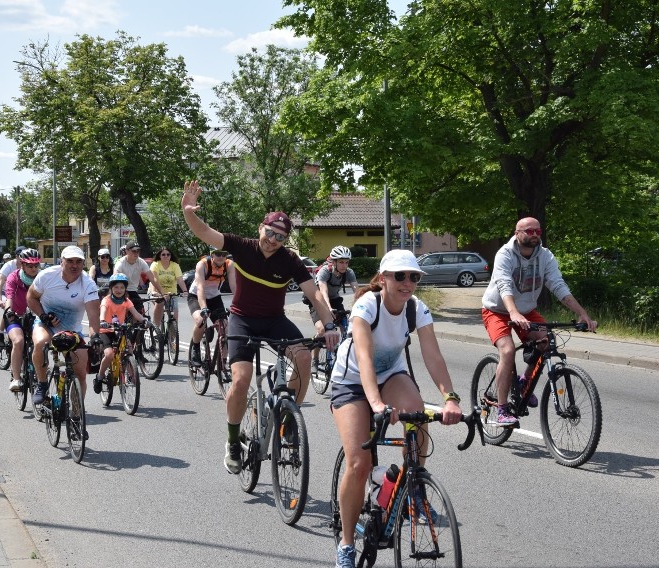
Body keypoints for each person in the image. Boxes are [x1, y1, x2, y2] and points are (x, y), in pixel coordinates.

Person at [181, 180, 341, 474]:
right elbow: (205, 232)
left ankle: (289, 420)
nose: (272, 240)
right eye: (269, 233)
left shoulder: (290, 260)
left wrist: (329, 324)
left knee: (304, 356)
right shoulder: (242, 247)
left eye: (279, 237)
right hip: (242, 319)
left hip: (274, 320)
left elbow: (314, 294)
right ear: (260, 229)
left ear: (285, 240)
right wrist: (189, 212)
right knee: (241, 380)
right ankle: (232, 442)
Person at [331, 249, 463, 568]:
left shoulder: (416, 309)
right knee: (358, 464)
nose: (407, 283)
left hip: (390, 375)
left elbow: (433, 357)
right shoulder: (367, 305)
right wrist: (376, 403)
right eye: (400, 276)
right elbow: (363, 357)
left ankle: (414, 483)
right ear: (383, 278)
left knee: (416, 411)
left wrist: (451, 398)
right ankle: (346, 546)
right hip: (351, 381)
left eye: (414, 277)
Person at [481, 217, 598, 426]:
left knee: (546, 342)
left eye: (538, 231)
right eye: (529, 231)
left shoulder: (545, 257)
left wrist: (582, 313)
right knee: (507, 351)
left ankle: (525, 382)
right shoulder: (505, 254)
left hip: (526, 310)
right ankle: (501, 409)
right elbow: (504, 285)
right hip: (497, 310)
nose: (535, 235)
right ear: (517, 233)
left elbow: (558, 285)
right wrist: (513, 313)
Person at [28, 246, 100, 438]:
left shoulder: (88, 284)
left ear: (83, 263)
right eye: (70, 261)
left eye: (78, 262)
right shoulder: (47, 276)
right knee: (41, 343)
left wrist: (95, 337)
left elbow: (93, 315)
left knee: (81, 375)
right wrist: (43, 315)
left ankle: (76, 419)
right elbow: (31, 297)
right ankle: (42, 384)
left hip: (72, 330)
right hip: (46, 324)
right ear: (62, 261)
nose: (74, 265)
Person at [93, 273, 150, 393]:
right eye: (116, 287)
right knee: (109, 354)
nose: (119, 290)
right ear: (111, 288)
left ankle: (131, 374)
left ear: (125, 289)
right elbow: (103, 311)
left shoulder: (126, 301)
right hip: (106, 330)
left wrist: (144, 320)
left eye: (122, 288)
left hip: (120, 330)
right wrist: (103, 321)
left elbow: (136, 314)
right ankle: (100, 377)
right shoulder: (106, 300)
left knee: (129, 349)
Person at [307, 245, 359, 365]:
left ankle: (341, 353)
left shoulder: (349, 272)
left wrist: (362, 306)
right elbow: (323, 291)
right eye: (341, 262)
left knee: (347, 328)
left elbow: (357, 292)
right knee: (321, 330)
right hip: (317, 299)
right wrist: (328, 308)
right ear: (334, 262)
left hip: (335, 300)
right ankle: (314, 359)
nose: (344, 265)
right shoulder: (325, 271)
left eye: (346, 262)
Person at [3, 249, 42, 392]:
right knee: (19, 341)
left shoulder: (42, 278)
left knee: (42, 342)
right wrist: (8, 311)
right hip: (16, 315)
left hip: (35, 316)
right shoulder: (13, 277)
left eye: (36, 266)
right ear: (22, 265)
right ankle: (16, 378)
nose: (33, 269)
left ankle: (42, 368)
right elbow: (9, 296)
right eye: (30, 266)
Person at [187, 249, 234, 366]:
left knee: (225, 329)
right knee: (200, 320)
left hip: (214, 298)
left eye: (224, 254)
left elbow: (234, 287)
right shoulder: (202, 264)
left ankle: (222, 364)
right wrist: (203, 308)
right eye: (218, 254)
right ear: (212, 254)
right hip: (196, 296)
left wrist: (240, 306)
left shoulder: (229, 264)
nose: (221, 257)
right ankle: (196, 349)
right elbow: (200, 288)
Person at [112, 241, 165, 318]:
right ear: (127, 251)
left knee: (140, 310)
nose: (136, 253)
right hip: (121, 290)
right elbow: (115, 279)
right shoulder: (120, 263)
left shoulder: (141, 262)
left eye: (138, 251)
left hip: (133, 290)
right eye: (133, 251)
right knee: (121, 310)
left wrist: (163, 293)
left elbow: (152, 279)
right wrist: (121, 292)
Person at [149, 247, 188, 333]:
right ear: (160, 256)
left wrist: (185, 291)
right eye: (163, 254)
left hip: (171, 293)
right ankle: (156, 328)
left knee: (175, 314)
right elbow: (154, 280)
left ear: (170, 256)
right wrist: (155, 292)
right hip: (157, 291)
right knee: (160, 303)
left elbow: (180, 280)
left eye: (168, 254)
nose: (166, 256)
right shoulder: (155, 264)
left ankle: (172, 338)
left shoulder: (175, 265)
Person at [0, 246, 25, 346]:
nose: (22, 259)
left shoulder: (29, 265)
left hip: (21, 293)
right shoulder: (8, 266)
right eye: (20, 257)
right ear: (16, 257)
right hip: (5, 292)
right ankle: (0, 333)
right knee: (8, 310)